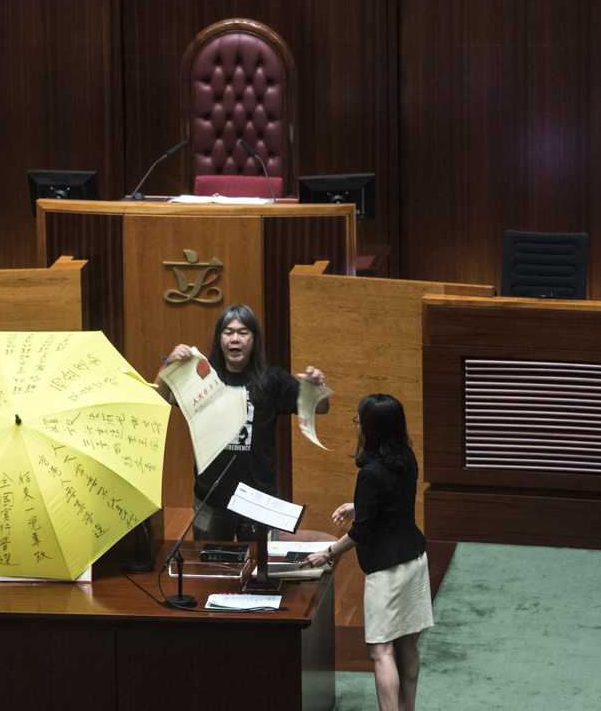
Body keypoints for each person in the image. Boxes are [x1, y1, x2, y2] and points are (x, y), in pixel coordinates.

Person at [302, 394, 433, 711]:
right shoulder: (407, 457)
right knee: (404, 641)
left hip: (388, 571)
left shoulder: (370, 473)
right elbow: (393, 504)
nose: (357, 426)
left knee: (381, 650)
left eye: (359, 421)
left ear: (373, 428)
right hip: (415, 559)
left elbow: (362, 532)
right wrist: (359, 506)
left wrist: (328, 553)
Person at [156, 304, 329, 541]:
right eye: (228, 332)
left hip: (259, 500)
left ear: (254, 340)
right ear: (219, 339)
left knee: (261, 575)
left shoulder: (273, 379)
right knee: (211, 574)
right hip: (212, 498)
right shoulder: (202, 376)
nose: (235, 339)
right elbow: (159, 399)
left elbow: (320, 409)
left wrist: (317, 387)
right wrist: (168, 367)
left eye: (243, 332)